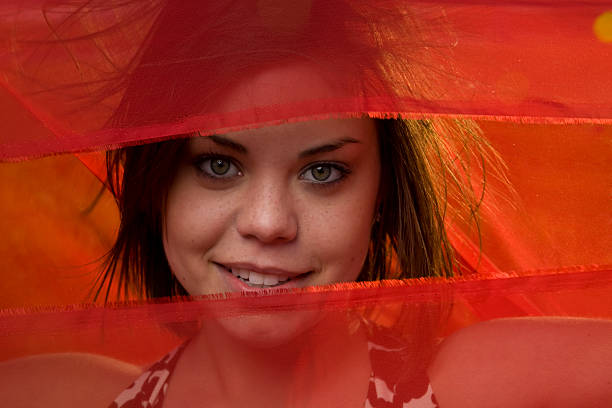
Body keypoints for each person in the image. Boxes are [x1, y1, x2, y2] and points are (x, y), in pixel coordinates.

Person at [1, 1, 611, 408]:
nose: (268, 222)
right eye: (220, 165)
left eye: (323, 171)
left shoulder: (482, 387)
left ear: (380, 198)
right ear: (157, 182)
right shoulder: (55, 394)